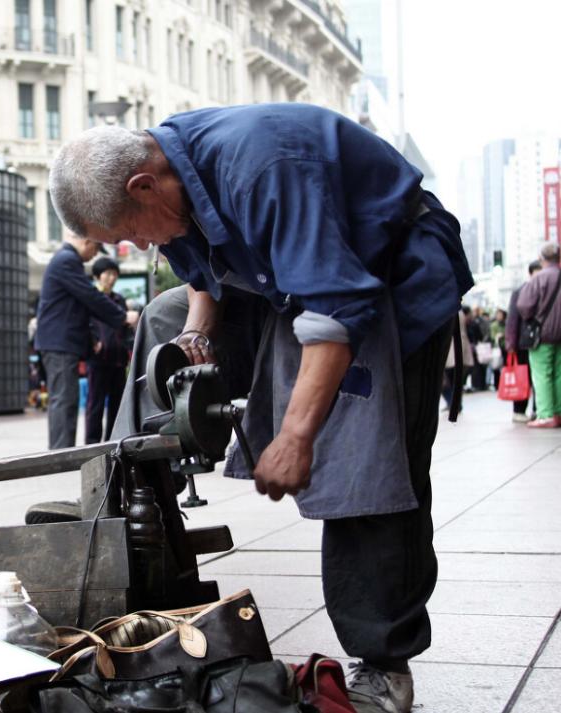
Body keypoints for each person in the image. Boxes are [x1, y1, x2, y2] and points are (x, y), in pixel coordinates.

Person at [49, 104, 474, 713]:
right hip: (289, 278)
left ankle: (384, 665)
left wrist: (296, 435)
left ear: (144, 184)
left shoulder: (263, 165)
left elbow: (335, 312)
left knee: (364, 461)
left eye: (130, 230)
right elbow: (199, 263)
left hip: (382, 272)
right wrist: (197, 335)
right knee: (164, 320)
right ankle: (128, 519)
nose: (138, 245)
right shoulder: (170, 163)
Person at [34, 235, 138, 449]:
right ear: (86, 242)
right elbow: (90, 296)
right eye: (96, 249)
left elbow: (79, 307)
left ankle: (60, 454)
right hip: (59, 343)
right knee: (64, 401)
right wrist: (122, 316)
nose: (94, 256)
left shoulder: (65, 260)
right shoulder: (66, 260)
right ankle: (60, 456)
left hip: (60, 343)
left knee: (64, 401)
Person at [85, 257, 130, 443]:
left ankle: (113, 441)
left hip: (118, 359)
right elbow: (85, 323)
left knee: (117, 404)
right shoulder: (91, 297)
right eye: (107, 273)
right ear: (97, 276)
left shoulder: (119, 300)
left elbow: (125, 327)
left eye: (114, 274)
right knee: (95, 404)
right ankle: (92, 444)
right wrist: (93, 342)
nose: (111, 278)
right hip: (98, 359)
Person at [517, 243, 561, 428]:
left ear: (542, 259)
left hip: (542, 335)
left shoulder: (538, 278)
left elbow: (524, 306)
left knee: (542, 374)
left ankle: (545, 414)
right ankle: (558, 412)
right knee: (559, 373)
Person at [505, 260, 542, 422]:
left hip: (539, 340)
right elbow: (512, 320)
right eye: (538, 272)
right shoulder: (520, 292)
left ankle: (537, 409)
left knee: (538, 378)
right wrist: (511, 343)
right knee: (522, 376)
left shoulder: (545, 290)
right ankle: (519, 410)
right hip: (522, 342)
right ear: (531, 273)